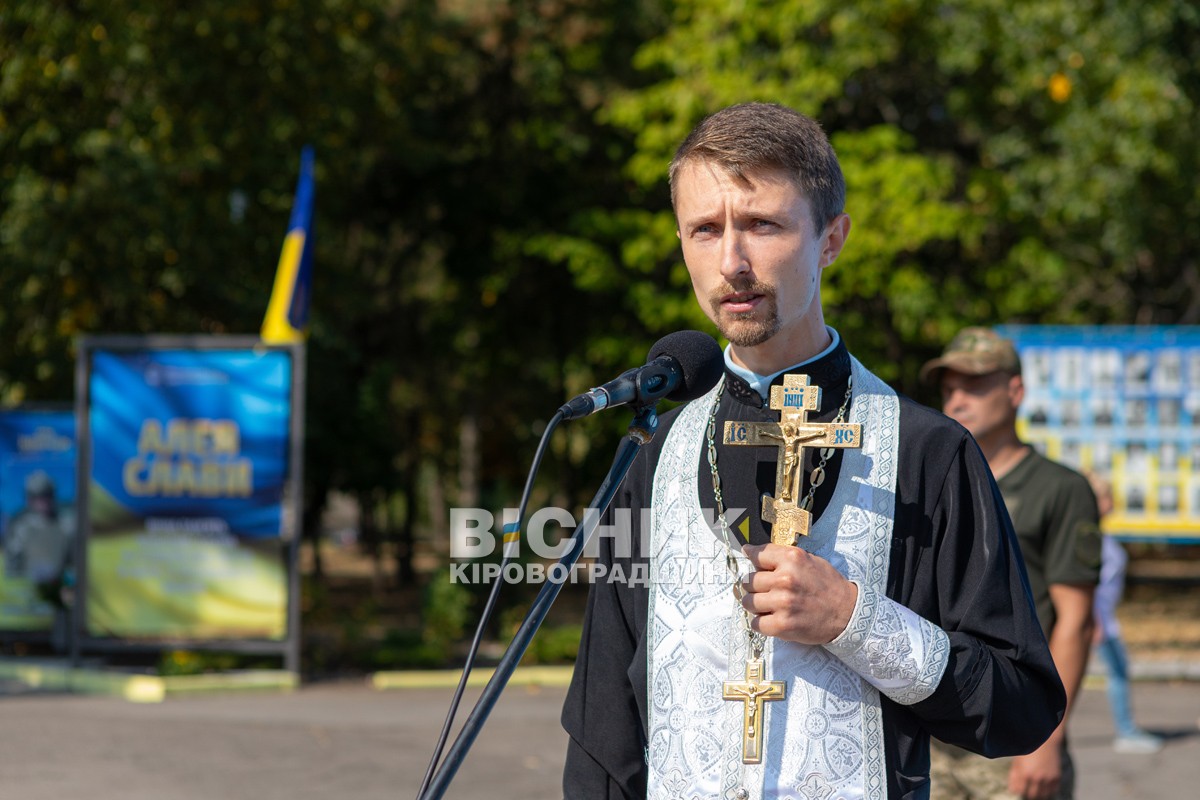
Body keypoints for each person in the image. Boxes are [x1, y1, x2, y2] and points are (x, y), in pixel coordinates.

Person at [561, 103, 1065, 800]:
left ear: (831, 240)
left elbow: (1020, 708)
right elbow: (603, 733)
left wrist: (857, 621)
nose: (731, 262)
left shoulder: (929, 452)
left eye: (763, 225)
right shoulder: (656, 452)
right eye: (705, 230)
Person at [922, 327, 1102, 799]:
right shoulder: (937, 484)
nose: (959, 399)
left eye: (976, 384)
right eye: (950, 388)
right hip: (937, 729)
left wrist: (1046, 738)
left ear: (1015, 391)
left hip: (1015, 733)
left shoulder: (1059, 488)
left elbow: (1076, 621)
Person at [1085, 472, 1163, 754]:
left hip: (1104, 618)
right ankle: (1126, 731)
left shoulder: (1098, 533)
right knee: (1117, 672)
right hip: (1098, 620)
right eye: (1107, 496)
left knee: (1116, 671)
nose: (1112, 502)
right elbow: (1085, 583)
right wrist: (1093, 621)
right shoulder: (1087, 537)